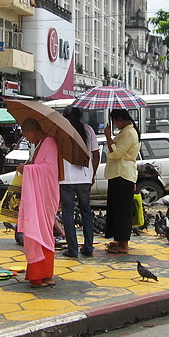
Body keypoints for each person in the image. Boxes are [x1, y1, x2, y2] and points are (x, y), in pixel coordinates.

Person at [17, 119, 60, 288]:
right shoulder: (43, 143)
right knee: (38, 233)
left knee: (43, 233)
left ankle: (45, 274)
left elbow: (50, 170)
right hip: (40, 195)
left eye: (26, 135)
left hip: (45, 196)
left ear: (32, 131)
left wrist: (26, 169)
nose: (27, 139)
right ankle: (40, 274)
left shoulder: (49, 143)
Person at [60, 107, 100, 258]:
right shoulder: (88, 130)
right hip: (84, 178)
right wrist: (92, 174)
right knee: (86, 212)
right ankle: (88, 247)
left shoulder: (61, 130)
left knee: (68, 214)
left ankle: (72, 249)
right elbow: (96, 155)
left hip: (66, 179)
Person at [103, 109, 141, 255]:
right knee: (116, 209)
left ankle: (123, 244)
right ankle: (119, 239)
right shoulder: (125, 132)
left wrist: (108, 137)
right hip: (117, 175)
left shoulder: (129, 133)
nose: (114, 124)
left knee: (122, 211)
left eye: (114, 121)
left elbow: (116, 153)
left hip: (123, 175)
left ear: (119, 119)